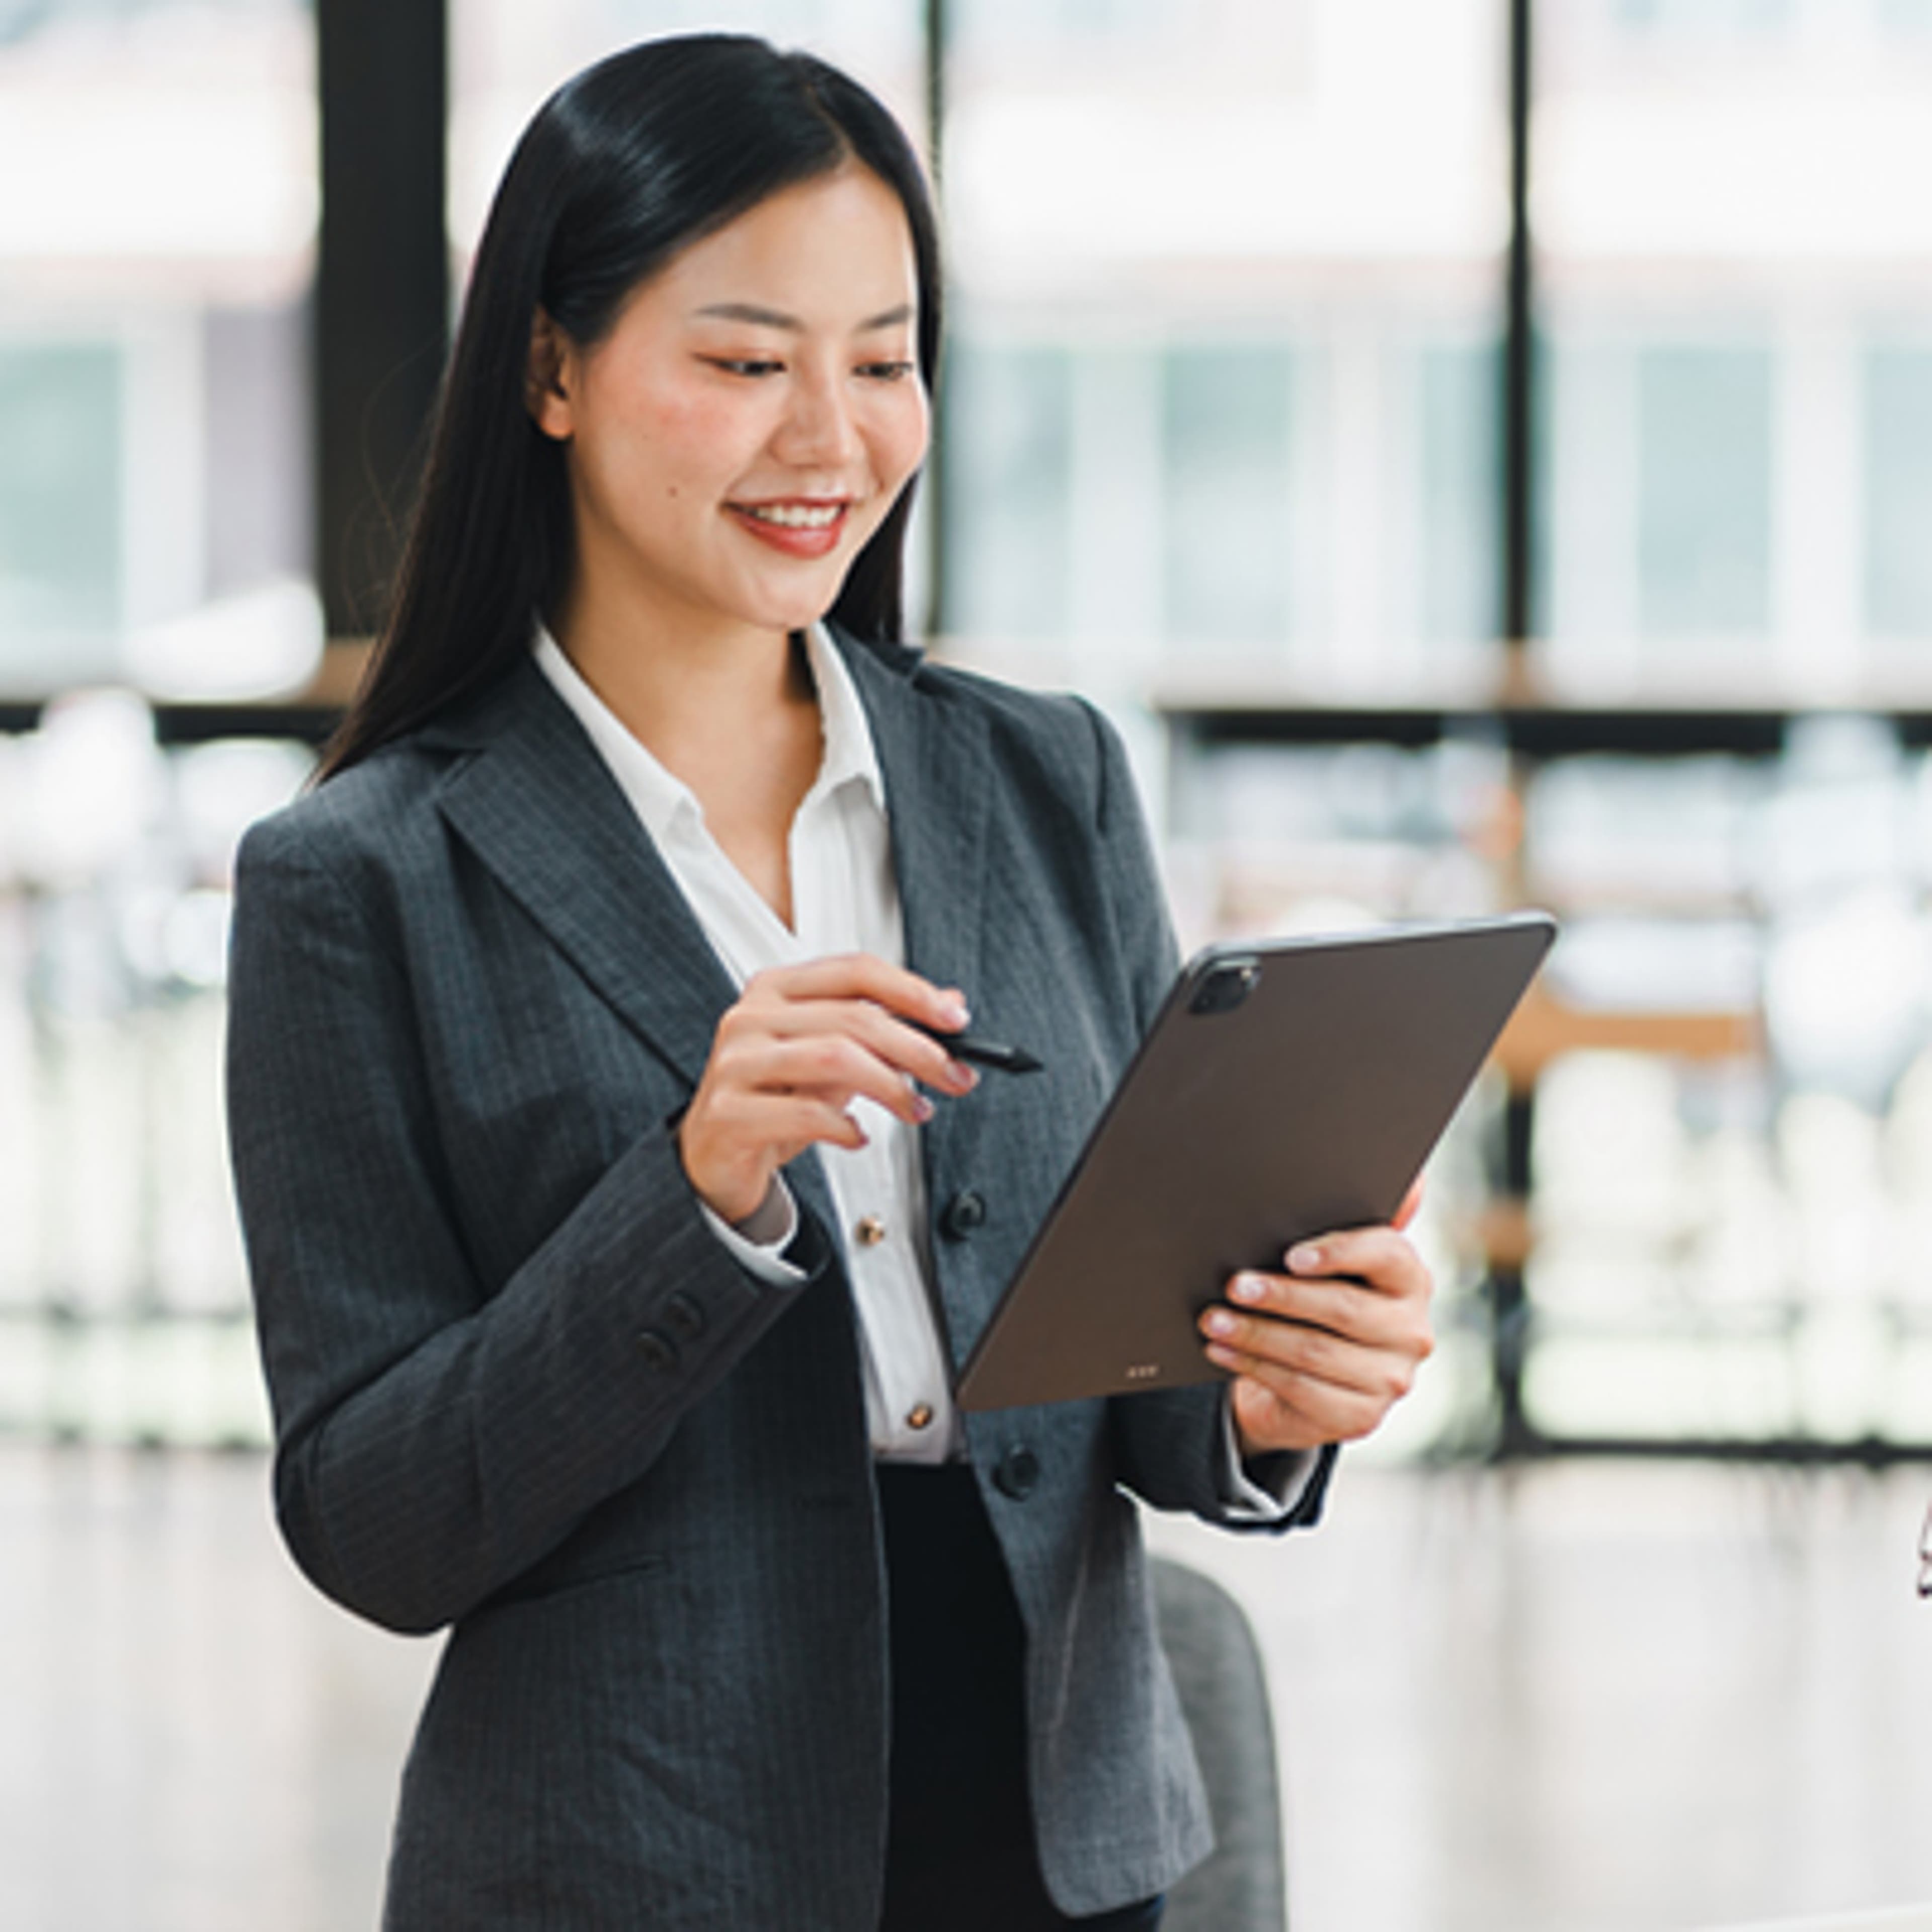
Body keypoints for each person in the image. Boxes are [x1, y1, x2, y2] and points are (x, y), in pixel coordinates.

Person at [225, 33, 1434, 1932]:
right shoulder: (360, 879)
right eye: (744, 361)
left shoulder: (1046, 778)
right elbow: (376, 1524)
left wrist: (1279, 1392)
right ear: (551, 367)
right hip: (634, 1857)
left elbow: (1136, 1391)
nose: (831, 437)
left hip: (1069, 1838)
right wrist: (692, 1198)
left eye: (881, 361)